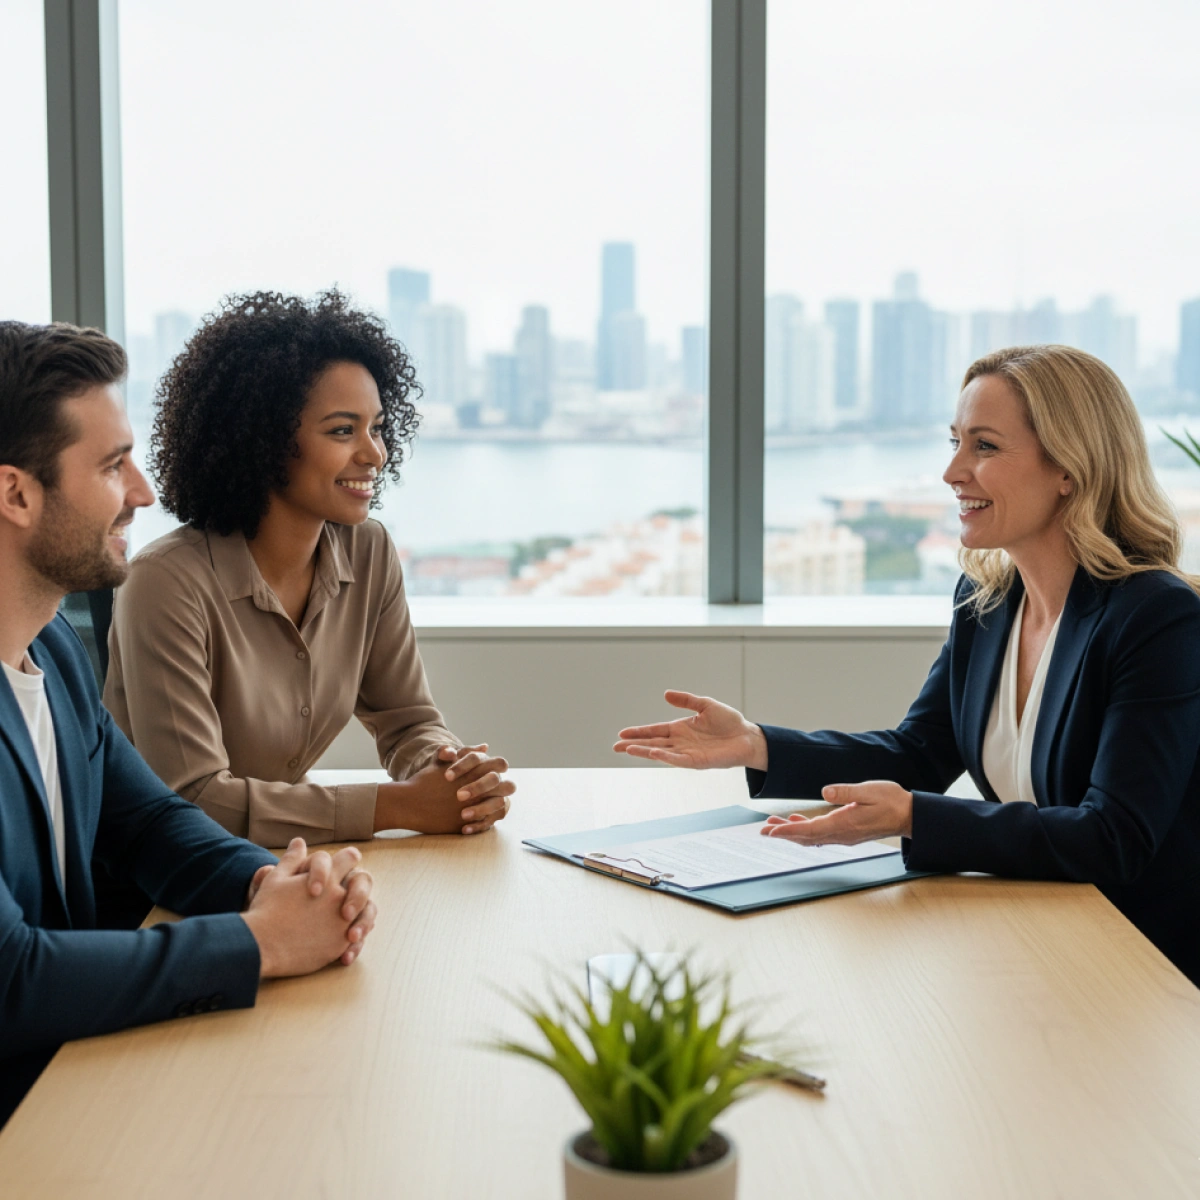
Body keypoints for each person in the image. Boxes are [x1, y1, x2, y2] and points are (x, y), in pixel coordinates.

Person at [615, 344, 1200, 986]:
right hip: (1042, 930)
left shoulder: (1155, 618)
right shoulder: (989, 602)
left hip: (1144, 964)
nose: (953, 471)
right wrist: (757, 745)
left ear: (1069, 467)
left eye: (984, 446)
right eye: (954, 442)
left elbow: (1115, 837)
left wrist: (914, 817)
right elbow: (918, 754)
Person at [0, 321, 378, 1125]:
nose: (141, 491)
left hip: (69, 1081)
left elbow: (149, 824)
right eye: (111, 466)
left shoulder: (55, 653)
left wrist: (270, 885)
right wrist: (264, 942)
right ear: (16, 494)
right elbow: (10, 979)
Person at [104, 290, 514, 847]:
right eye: (343, 431)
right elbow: (194, 797)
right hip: (161, 890)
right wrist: (399, 806)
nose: (374, 453)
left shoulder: (368, 552)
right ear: (264, 441)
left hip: (283, 866)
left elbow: (408, 720)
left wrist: (450, 772)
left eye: (377, 427)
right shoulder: (165, 583)